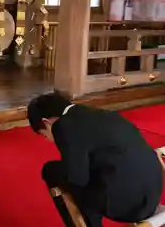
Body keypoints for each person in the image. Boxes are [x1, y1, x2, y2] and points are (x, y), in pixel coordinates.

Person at [27, 93, 163, 227]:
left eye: (43, 135)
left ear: (46, 122)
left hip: (130, 207)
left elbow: (78, 178)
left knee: (51, 171)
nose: (48, 140)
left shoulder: (63, 125)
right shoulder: (100, 114)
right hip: (153, 194)